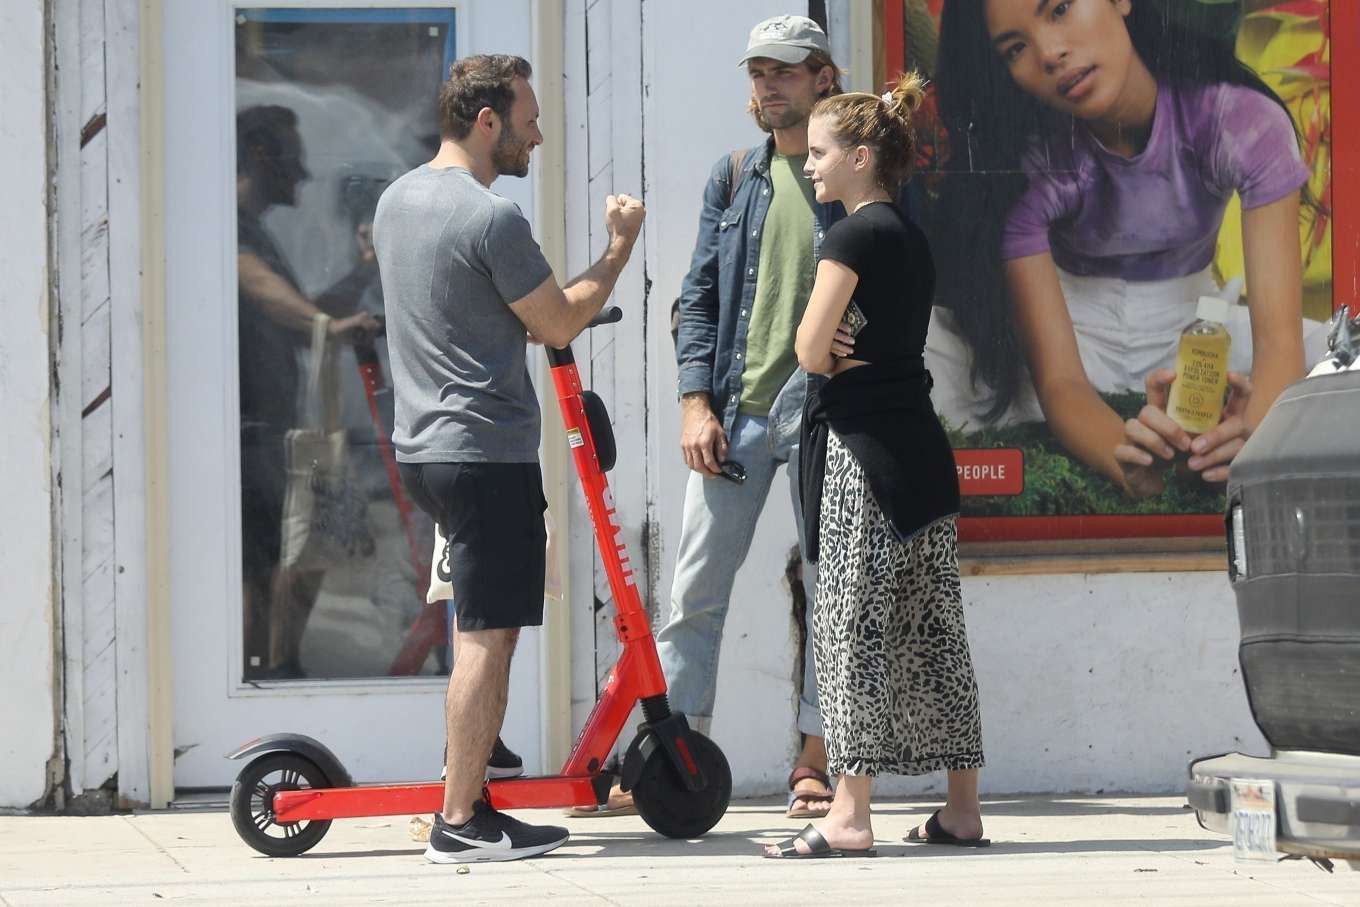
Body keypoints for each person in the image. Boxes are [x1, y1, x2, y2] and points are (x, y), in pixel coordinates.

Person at [373, 54, 645, 864]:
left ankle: (476, 763)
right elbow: (556, 322)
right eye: (527, 117)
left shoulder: (397, 201)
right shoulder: (491, 219)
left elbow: (490, 314)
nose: (536, 131)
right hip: (484, 452)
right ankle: (459, 820)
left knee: (486, 625)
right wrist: (619, 246)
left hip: (426, 450)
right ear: (486, 120)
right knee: (486, 637)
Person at [925, 0, 1328, 497]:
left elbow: (1279, 345)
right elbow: (1061, 385)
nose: (1050, 53)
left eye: (1060, 9)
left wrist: (1255, 435)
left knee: (1341, 357)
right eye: (1015, 49)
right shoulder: (1026, 167)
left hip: (1198, 334)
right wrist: (1132, 464)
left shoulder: (1239, 119)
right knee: (919, 358)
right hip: (1076, 334)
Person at [765, 73, 987, 859]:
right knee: (934, 630)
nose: (812, 166)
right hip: (922, 452)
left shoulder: (851, 235)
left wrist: (824, 348)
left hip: (864, 457)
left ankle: (850, 815)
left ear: (862, 157)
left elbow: (806, 347)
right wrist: (840, 348)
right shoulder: (911, 237)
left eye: (821, 153)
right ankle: (962, 809)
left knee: (849, 629)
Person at [642, 14, 846, 820]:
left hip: (826, 418)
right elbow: (695, 297)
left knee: (829, 589)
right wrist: (696, 402)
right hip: (739, 415)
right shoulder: (733, 177)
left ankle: (815, 757)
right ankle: (673, 758)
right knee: (693, 590)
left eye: (785, 72)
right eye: (758, 72)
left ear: (824, 77)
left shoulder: (854, 176)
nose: (768, 86)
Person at [235, 104, 381, 680]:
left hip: (270, 434)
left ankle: (276, 668)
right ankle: (261, 675)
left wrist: (365, 270)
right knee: (264, 567)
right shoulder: (232, 231)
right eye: (294, 159)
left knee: (287, 560)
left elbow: (309, 318)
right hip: (245, 437)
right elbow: (269, 295)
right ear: (264, 155)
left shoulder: (257, 234)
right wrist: (330, 327)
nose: (304, 174)